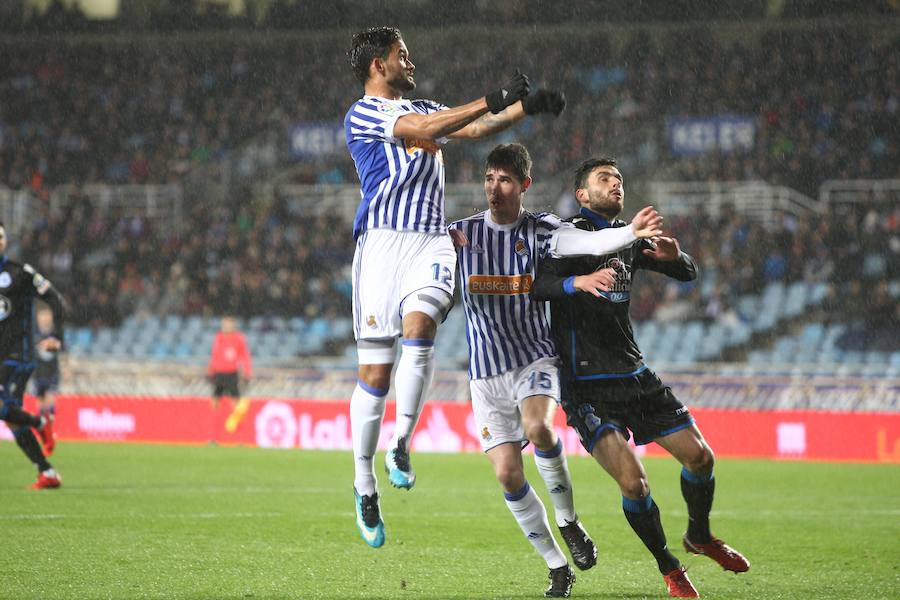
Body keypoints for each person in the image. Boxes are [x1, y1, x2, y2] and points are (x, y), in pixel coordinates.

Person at [344, 26, 566, 548]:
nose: (410, 60)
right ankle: (363, 483)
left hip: (430, 241)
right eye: (402, 55)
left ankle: (401, 442)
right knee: (374, 378)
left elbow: (471, 128)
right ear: (378, 65)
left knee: (421, 326)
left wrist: (524, 109)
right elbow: (433, 124)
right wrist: (493, 96)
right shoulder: (367, 113)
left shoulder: (421, 105)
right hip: (380, 246)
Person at [449, 144, 664, 598]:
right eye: (489, 178)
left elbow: (588, 242)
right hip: (485, 375)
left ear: (523, 185)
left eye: (505, 180)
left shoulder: (542, 229)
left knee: (539, 427)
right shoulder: (461, 236)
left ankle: (568, 521)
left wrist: (630, 234)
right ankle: (556, 565)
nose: (494, 188)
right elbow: (424, 264)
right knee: (508, 474)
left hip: (535, 359)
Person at [532, 158, 750, 598]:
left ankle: (700, 537)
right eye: (604, 179)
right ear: (582, 194)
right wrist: (579, 283)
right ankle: (669, 566)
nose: (615, 185)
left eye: (619, 180)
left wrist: (677, 258)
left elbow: (686, 271)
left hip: (635, 375)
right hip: (586, 386)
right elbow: (538, 285)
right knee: (635, 482)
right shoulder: (565, 235)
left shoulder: (628, 239)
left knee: (701, 458)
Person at [0, 221, 65, 489]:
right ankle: (46, 471)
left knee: (5, 410)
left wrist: (56, 335)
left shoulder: (21, 272)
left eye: (1, 236)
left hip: (18, 355)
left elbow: (54, 298)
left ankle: (40, 421)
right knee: (11, 418)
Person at [207, 316, 253, 435]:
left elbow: (245, 356)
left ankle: (237, 433)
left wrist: (247, 372)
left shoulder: (238, 338)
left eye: (228, 324)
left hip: (232, 373)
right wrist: (210, 371)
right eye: (224, 324)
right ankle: (213, 433)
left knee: (235, 402)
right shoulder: (219, 337)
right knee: (215, 401)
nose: (226, 327)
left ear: (233, 325)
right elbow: (214, 355)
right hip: (218, 373)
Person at [31, 306, 62, 450]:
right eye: (42, 317)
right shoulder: (34, 333)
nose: (44, 320)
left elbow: (59, 346)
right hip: (38, 373)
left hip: (51, 373)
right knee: (40, 405)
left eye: (46, 317)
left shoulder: (55, 333)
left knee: (50, 403)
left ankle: (51, 431)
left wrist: (49, 345)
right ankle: (42, 432)